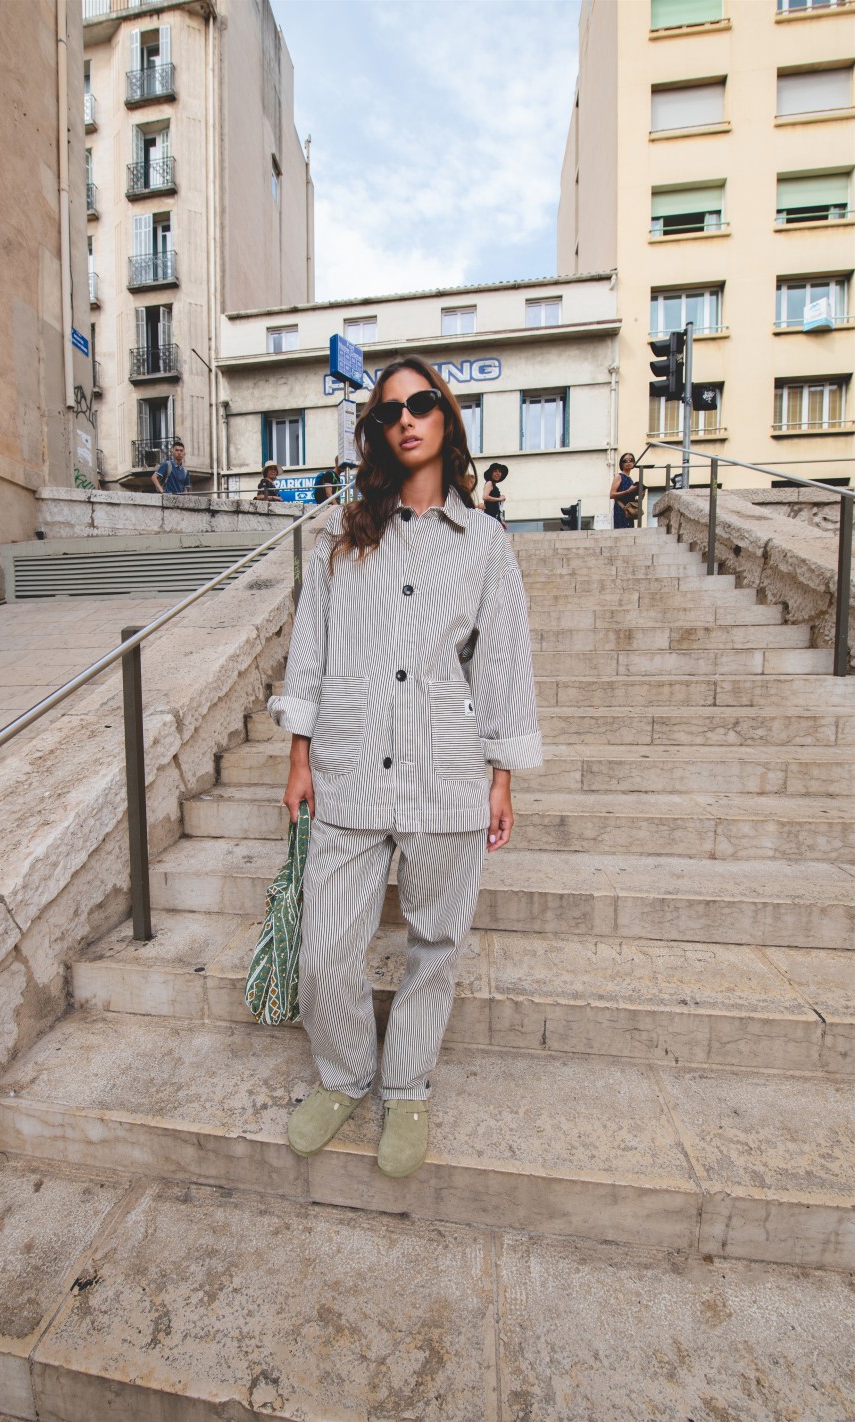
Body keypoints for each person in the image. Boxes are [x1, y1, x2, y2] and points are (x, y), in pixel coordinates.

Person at [268, 353, 542, 1180]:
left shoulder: (486, 544)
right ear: (377, 433)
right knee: (327, 947)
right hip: (349, 767)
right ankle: (344, 1075)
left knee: (436, 943)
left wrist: (501, 775)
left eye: (422, 404)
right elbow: (310, 649)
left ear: (446, 418)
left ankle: (408, 1087)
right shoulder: (341, 536)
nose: (407, 419)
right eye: (389, 412)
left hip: (445, 772)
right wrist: (299, 756)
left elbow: (502, 664)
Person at [610, 452, 641, 528]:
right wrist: (628, 491)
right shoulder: (619, 476)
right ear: (621, 464)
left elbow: (631, 497)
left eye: (631, 460)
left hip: (629, 510)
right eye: (625, 460)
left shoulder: (630, 480)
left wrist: (641, 495)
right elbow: (612, 495)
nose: (628, 462)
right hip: (621, 509)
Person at [481, 462, 508, 527]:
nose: (498, 473)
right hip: (490, 516)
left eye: (499, 471)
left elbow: (498, 507)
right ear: (491, 473)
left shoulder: (494, 485)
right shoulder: (489, 483)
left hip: (495, 517)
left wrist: (501, 520)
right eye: (495, 471)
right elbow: (485, 497)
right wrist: (499, 499)